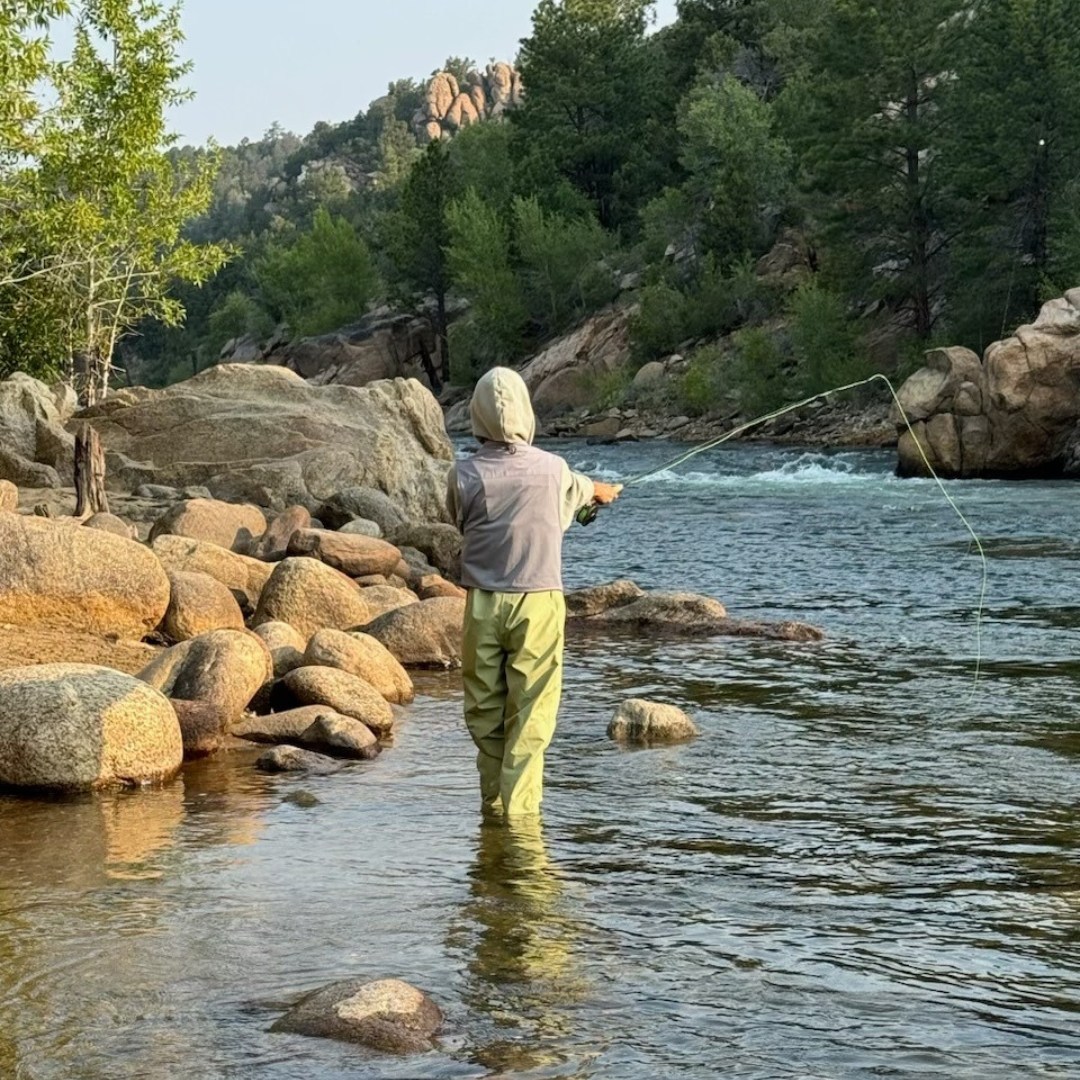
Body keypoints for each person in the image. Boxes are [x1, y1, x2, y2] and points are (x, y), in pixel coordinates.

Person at [447, 367, 621, 817]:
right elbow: (588, 491)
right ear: (526, 413)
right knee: (531, 712)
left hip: (483, 604)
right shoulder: (556, 470)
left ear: (477, 415)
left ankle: (493, 808)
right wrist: (603, 493)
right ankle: (520, 821)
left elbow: (461, 522)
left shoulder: (462, 474)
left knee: (484, 711)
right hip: (539, 604)